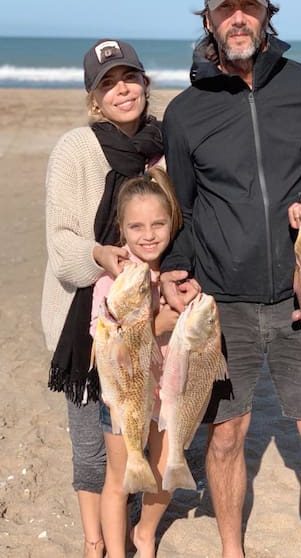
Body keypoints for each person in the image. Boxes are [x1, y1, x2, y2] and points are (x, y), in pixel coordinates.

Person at [159, 0, 301, 558]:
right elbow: (180, 212)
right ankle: (231, 551)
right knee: (224, 437)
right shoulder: (185, 114)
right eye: (226, 8)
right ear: (209, 18)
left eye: (249, 6)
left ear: (268, 12)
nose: (237, 18)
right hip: (222, 301)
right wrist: (174, 272)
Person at [42, 39, 165, 558]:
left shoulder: (162, 147)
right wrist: (102, 256)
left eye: (129, 78)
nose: (122, 90)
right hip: (85, 320)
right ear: (94, 97)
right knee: (92, 446)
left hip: (147, 315)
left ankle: (134, 527)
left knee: (139, 430)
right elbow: (61, 243)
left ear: (144, 83)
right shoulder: (76, 148)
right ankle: (95, 542)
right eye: (108, 83)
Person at [90, 168, 196, 558]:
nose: (148, 234)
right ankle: (116, 551)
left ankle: (145, 532)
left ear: (173, 222)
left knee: (168, 466)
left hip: (169, 394)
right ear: (121, 228)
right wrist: (156, 324)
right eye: (136, 226)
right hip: (124, 399)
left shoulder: (180, 272)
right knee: (119, 478)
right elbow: (103, 342)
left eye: (158, 223)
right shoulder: (112, 280)